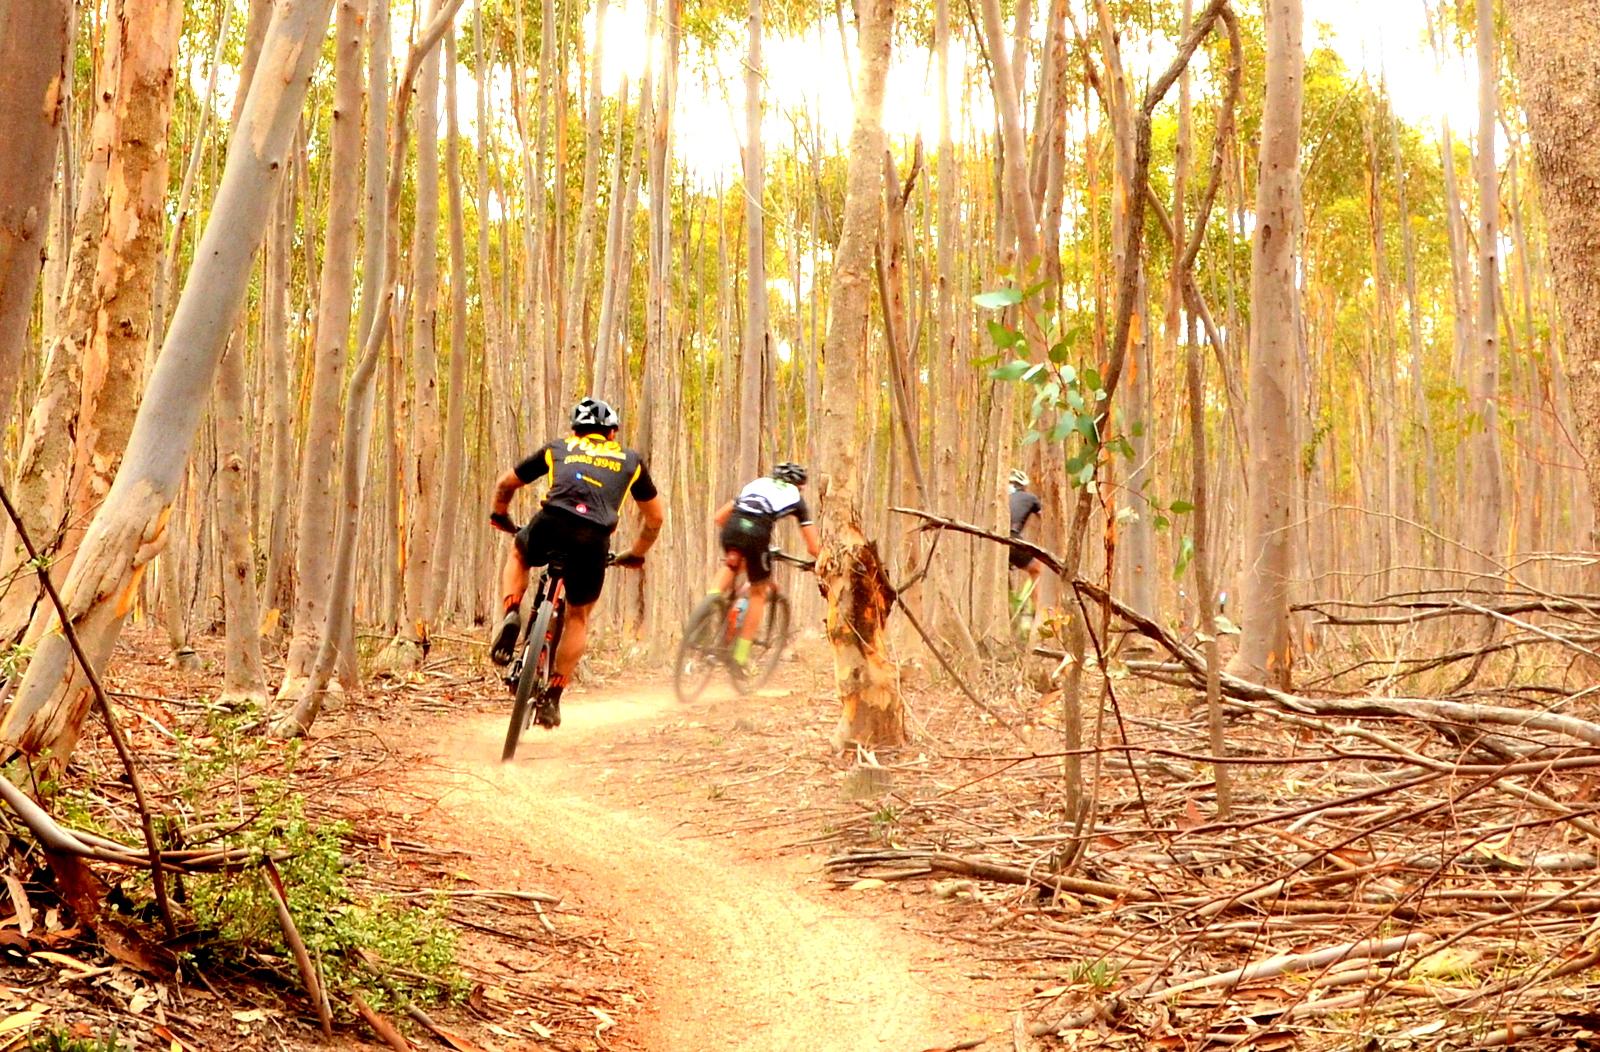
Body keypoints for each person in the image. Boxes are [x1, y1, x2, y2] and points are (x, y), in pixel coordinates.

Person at [488, 397, 665, 727]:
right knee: (578, 615)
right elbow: (654, 519)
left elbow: (504, 484)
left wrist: (500, 515)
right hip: (593, 538)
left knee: (519, 552)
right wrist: (636, 553)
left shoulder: (560, 447)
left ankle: (511, 613)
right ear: (612, 434)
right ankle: (553, 697)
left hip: (551, 522)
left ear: (576, 431)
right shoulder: (631, 460)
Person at [708, 462, 822, 675]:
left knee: (732, 565)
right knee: (759, 592)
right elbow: (814, 547)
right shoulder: (795, 497)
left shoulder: (757, 484)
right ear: (799, 486)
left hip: (732, 528)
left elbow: (718, 518)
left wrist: (740, 537)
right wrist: (825, 561)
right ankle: (740, 656)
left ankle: (708, 607)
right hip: (758, 533)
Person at [1007, 468, 1043, 630]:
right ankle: (1036, 615)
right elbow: (1044, 516)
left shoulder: (1004, 497)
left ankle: (1011, 613)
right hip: (1012, 538)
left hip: (993, 538)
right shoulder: (1031, 498)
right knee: (1036, 569)